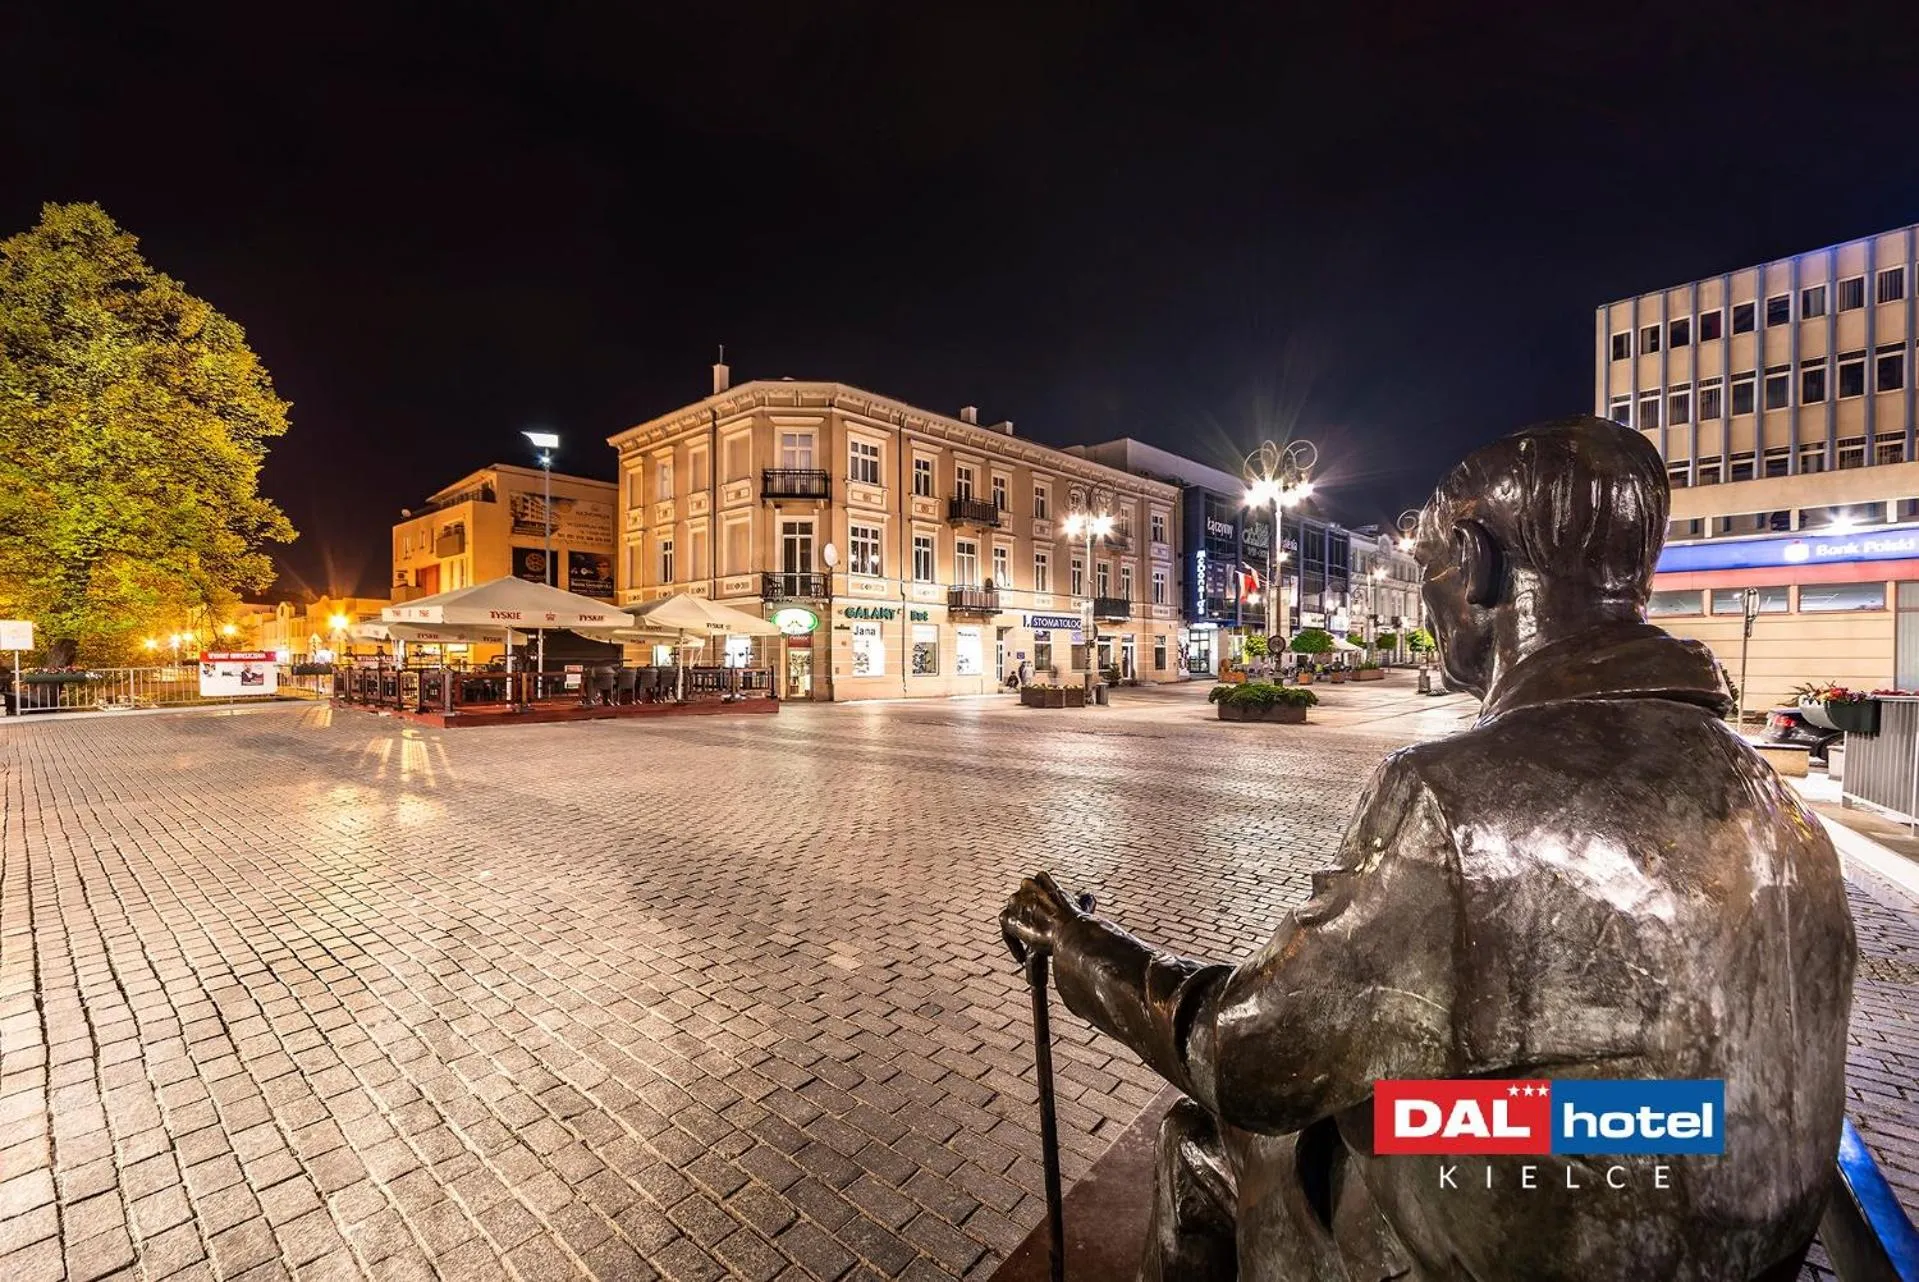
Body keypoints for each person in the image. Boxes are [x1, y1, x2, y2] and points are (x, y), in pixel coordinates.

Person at [1001, 417, 1855, 1282]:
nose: (1428, 599)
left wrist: (1072, 942)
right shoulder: (1764, 788)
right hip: (1734, 1223)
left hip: (1546, 1232)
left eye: (1430, 570)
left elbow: (1246, 1053)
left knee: (1216, 1139)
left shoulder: (1455, 792)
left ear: (1476, 562)